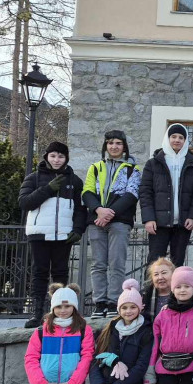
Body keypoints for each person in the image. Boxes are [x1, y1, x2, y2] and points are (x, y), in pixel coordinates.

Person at [18, 142, 86, 329]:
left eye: (61, 156)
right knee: (39, 273)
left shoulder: (75, 181)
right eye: (53, 156)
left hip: (63, 235)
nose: (57, 160)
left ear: (66, 158)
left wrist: (78, 230)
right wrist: (48, 189)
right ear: (47, 156)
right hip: (39, 233)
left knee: (60, 272)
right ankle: (36, 313)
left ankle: (60, 311)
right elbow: (24, 202)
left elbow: (81, 210)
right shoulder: (33, 178)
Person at [82, 129, 141, 316]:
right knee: (98, 264)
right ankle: (99, 303)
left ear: (124, 147)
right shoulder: (95, 167)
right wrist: (99, 210)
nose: (114, 146)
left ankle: (115, 301)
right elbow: (87, 192)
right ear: (105, 146)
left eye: (118, 143)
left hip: (120, 222)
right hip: (96, 221)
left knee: (116, 263)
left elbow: (131, 195)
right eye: (110, 143)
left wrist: (109, 213)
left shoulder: (133, 169)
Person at [139, 123, 193, 267]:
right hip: (158, 223)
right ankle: (149, 290)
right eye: (173, 136)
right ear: (167, 138)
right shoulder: (153, 163)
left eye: (181, 137)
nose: (177, 140)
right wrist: (148, 219)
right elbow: (145, 192)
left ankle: (175, 290)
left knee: (177, 263)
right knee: (154, 263)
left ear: (185, 141)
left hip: (183, 223)